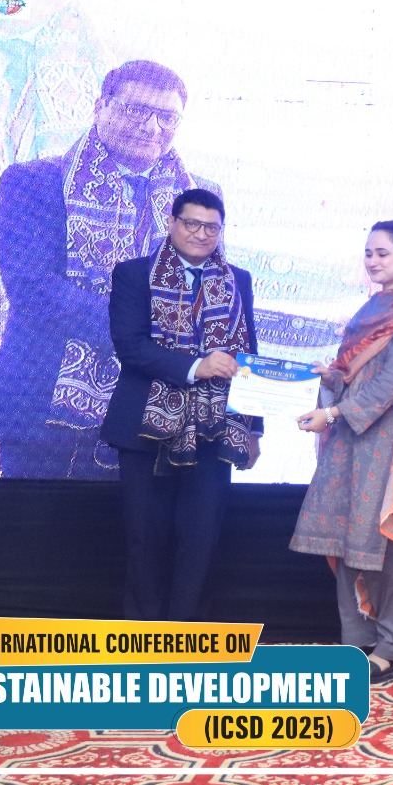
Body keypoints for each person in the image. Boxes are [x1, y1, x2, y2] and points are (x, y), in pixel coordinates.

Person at [0, 59, 221, 479]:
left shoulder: (201, 198)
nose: (151, 127)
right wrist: (138, 333)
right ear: (100, 105)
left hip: (155, 414)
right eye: (136, 110)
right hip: (42, 411)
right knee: (33, 522)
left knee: (135, 524)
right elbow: (32, 288)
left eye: (167, 117)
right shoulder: (33, 181)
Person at [290, 221, 393, 686]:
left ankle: (390, 650)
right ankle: (356, 641)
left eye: (383, 253)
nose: (373, 261)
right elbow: (357, 377)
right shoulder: (370, 310)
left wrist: (332, 412)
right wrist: (331, 378)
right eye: (368, 253)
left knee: (388, 547)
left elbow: (389, 388)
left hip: (390, 448)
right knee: (345, 542)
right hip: (350, 444)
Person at [102, 188, 261, 621]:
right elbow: (129, 345)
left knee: (201, 542)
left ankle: (188, 639)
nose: (201, 233)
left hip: (215, 431)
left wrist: (253, 430)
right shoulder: (134, 274)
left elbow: (249, 357)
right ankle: (142, 639)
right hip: (145, 429)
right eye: (192, 223)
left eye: (211, 227)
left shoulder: (239, 279)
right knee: (145, 541)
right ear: (172, 222)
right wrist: (197, 367)